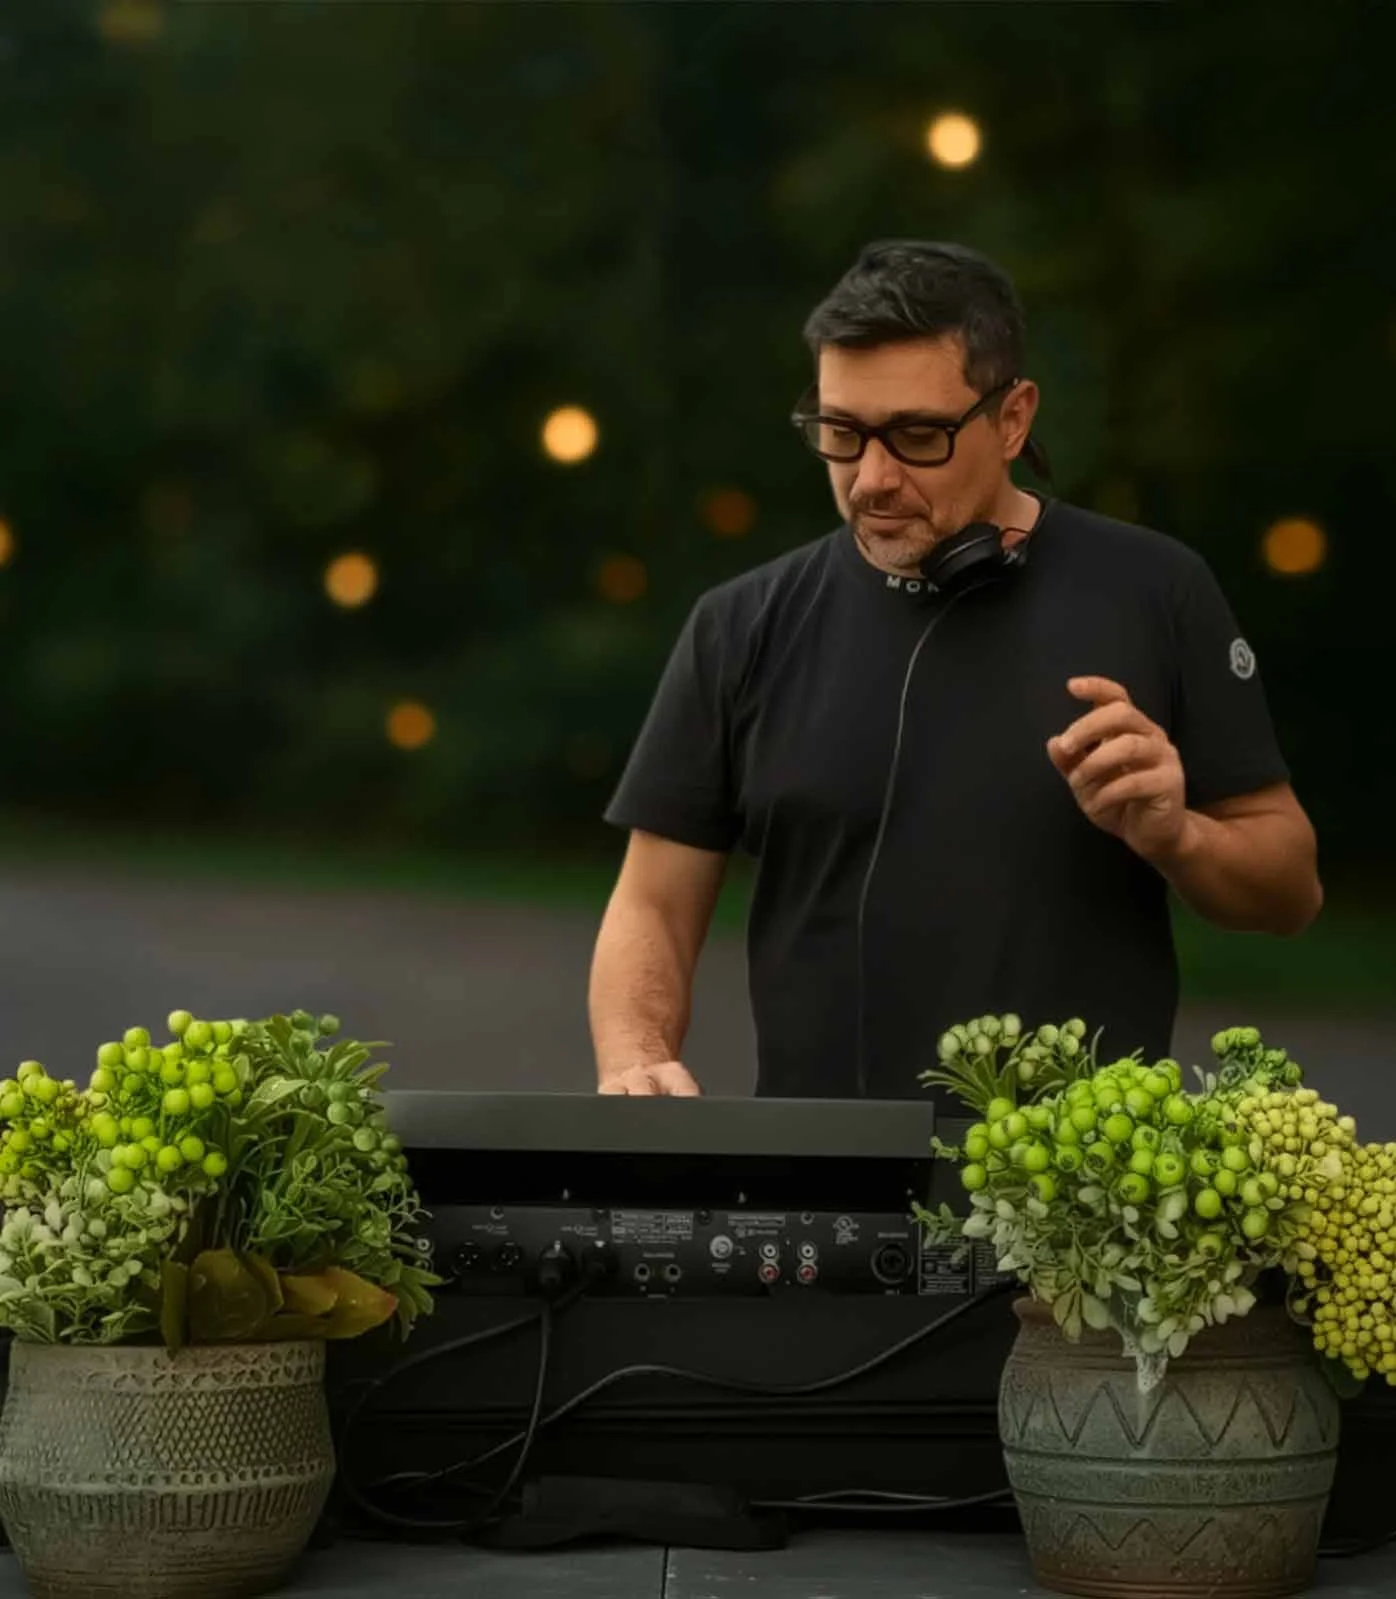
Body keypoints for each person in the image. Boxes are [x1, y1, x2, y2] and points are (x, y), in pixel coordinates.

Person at [589, 240, 1321, 1100]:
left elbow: (1291, 890)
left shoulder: (1157, 592)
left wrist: (1179, 836)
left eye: (916, 436)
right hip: (823, 1195)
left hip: (1081, 1208)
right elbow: (653, 905)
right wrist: (635, 1056)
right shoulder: (739, 626)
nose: (872, 478)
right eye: (840, 434)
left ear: (1012, 418)